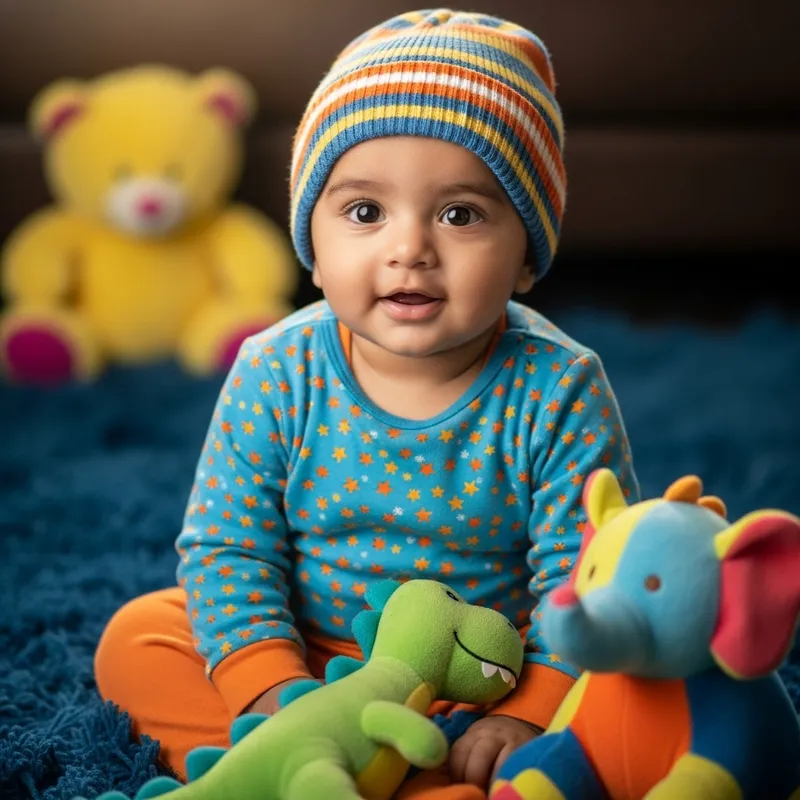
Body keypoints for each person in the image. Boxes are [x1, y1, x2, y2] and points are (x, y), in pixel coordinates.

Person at [94, 9, 640, 798]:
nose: (409, 246)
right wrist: (277, 692)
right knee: (138, 639)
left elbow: (585, 576)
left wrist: (526, 710)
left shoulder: (559, 386)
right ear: (312, 248)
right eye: (364, 212)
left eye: (460, 214)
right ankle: (309, 757)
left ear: (527, 256)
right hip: (307, 654)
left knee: (643, 676)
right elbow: (229, 549)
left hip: (480, 673)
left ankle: (378, 772)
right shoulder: (277, 369)